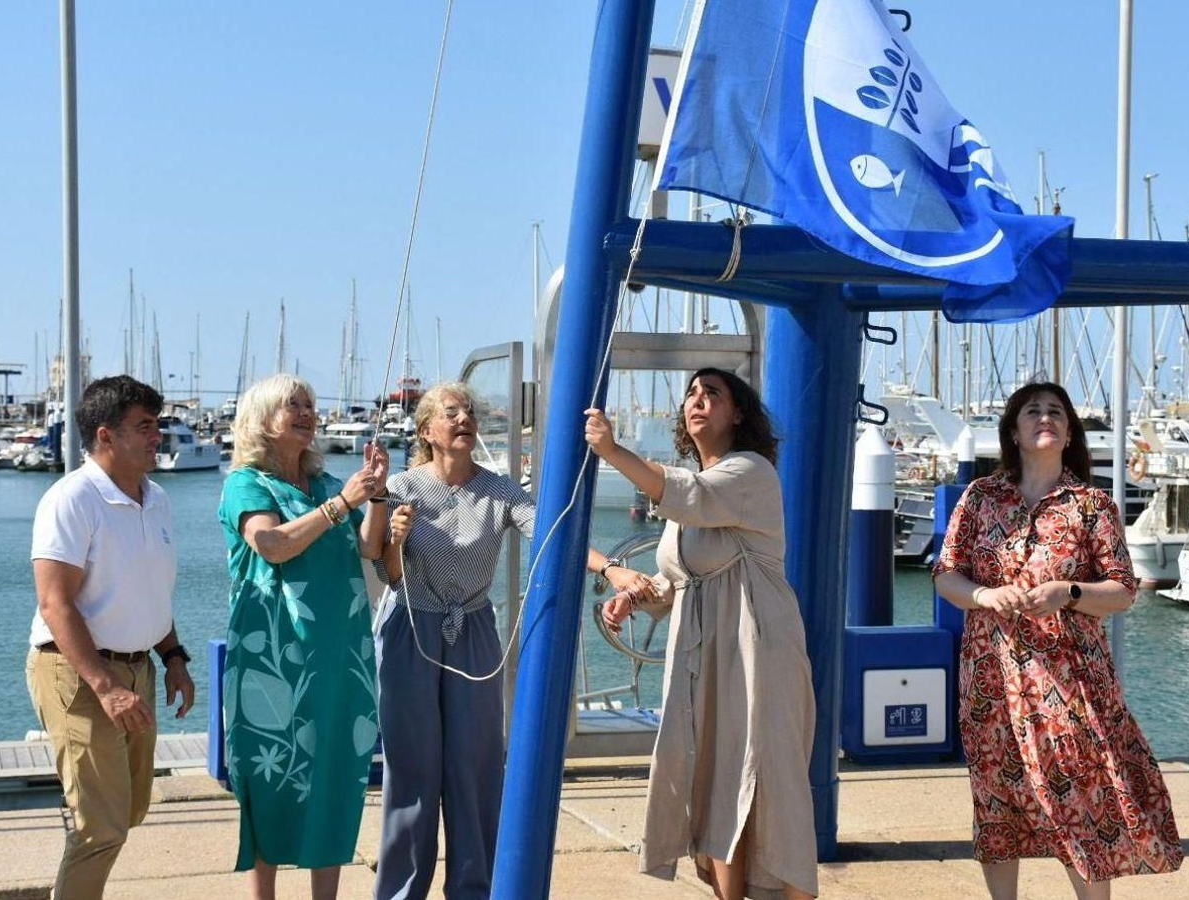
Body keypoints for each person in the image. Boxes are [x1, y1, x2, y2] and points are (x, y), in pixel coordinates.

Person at [366, 381, 643, 900]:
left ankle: (474, 889)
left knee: (476, 769)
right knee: (413, 772)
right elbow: (386, 569)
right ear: (427, 431)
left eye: (468, 411)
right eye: (451, 413)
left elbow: (554, 534)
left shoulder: (500, 490)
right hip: (410, 629)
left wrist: (612, 570)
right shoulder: (401, 486)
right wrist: (396, 536)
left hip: (471, 629)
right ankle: (400, 892)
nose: (464, 418)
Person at [931, 381, 1181, 900]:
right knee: (998, 801)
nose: (1044, 417)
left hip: (1070, 679)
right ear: (1014, 432)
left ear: (1068, 433)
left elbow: (1122, 591)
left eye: (1055, 412)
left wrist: (1067, 592)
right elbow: (945, 574)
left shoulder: (1092, 505)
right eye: (1032, 411)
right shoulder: (980, 497)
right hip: (992, 678)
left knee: (1082, 796)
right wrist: (983, 597)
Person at [589, 367, 818, 900]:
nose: (698, 400)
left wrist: (613, 450)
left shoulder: (750, 471)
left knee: (766, 776)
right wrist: (632, 596)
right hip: (705, 652)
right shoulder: (694, 496)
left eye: (712, 393)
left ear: (738, 413)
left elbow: (685, 492)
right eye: (692, 393)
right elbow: (677, 584)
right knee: (713, 780)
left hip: (755, 647)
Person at [218, 374, 390, 900]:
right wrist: (343, 504)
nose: (305, 411)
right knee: (271, 779)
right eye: (291, 404)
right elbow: (271, 543)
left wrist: (377, 494)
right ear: (260, 419)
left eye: (309, 404)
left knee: (338, 771)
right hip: (274, 655)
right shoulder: (246, 483)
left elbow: (367, 548)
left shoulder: (323, 483)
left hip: (341, 652)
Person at [27, 375, 195, 900]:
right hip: (78, 673)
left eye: (157, 425)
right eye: (144, 427)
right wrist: (104, 686)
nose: (157, 437)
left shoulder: (157, 498)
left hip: (137, 669)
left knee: (127, 810)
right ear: (106, 435)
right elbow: (55, 603)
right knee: (101, 825)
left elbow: (148, 591)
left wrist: (173, 658)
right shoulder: (71, 499)